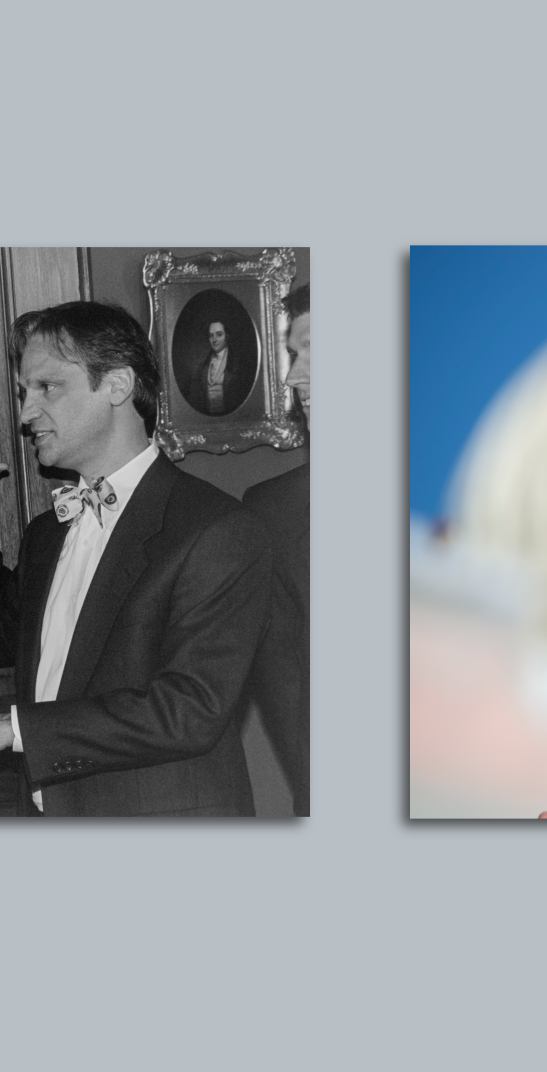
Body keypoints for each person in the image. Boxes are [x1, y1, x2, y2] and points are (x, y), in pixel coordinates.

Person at [0, 300, 272, 817]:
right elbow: (4, 637)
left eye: (47, 388)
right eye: (25, 393)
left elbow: (190, 710)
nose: (25, 414)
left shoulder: (215, 528)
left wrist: (9, 726)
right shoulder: (47, 533)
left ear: (116, 386)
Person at [241, 284, 310, 813]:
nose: (292, 377)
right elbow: (288, 694)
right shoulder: (274, 513)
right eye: (293, 354)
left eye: (312, 352)